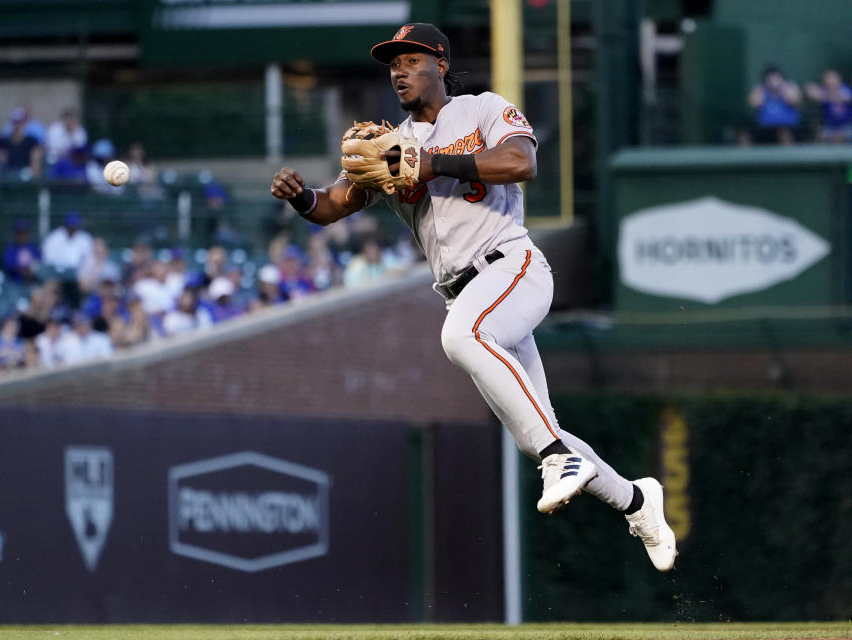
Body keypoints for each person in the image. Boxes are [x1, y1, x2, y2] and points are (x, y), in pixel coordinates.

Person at [270, 23, 677, 572]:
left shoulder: (484, 109)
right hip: (462, 289)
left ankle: (561, 459)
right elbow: (332, 206)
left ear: (440, 64)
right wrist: (302, 198)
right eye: (392, 63)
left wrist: (434, 163)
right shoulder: (388, 145)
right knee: (536, 434)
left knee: (464, 337)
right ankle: (636, 500)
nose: (398, 70)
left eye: (411, 60)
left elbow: (521, 164)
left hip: (512, 266)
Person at [747, 65, 803, 145]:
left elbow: (795, 101)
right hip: (765, 128)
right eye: (770, 79)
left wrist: (782, 89)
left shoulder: (789, 88)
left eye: (776, 78)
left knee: (784, 133)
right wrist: (762, 91)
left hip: (788, 127)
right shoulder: (761, 90)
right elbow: (753, 103)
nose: (773, 81)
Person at [804, 69, 852, 144]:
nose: (832, 83)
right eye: (829, 80)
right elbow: (809, 90)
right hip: (829, 128)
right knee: (821, 135)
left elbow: (848, 97)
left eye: (835, 80)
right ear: (824, 82)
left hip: (847, 127)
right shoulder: (823, 90)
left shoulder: (846, 89)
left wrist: (834, 96)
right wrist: (827, 96)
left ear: (839, 80)